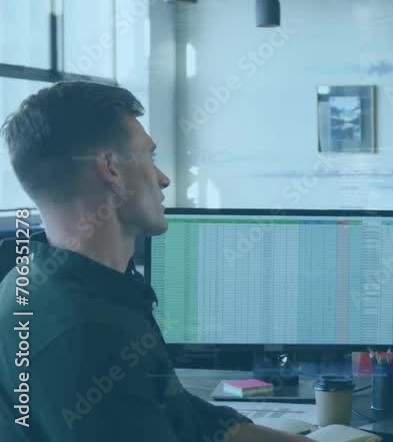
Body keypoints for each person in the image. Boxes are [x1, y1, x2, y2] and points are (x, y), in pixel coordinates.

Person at [0, 82, 310, 442]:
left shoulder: (39, 281)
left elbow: (180, 414)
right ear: (111, 169)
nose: (164, 179)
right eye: (150, 156)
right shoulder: (87, 332)